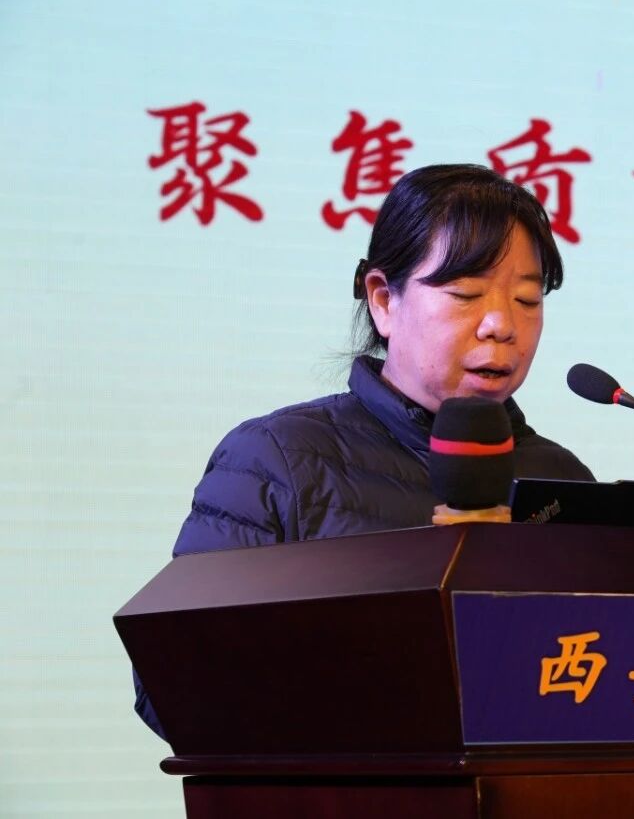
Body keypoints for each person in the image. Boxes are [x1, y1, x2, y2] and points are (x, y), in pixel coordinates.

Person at [134, 164, 593, 736]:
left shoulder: (561, 477)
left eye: (527, 299)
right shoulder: (276, 460)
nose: (502, 324)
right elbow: (171, 685)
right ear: (383, 300)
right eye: (466, 294)